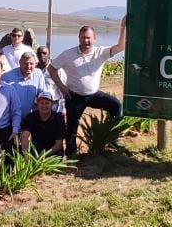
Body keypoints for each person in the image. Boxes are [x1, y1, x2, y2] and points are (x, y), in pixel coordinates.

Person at [47, 17, 127, 156]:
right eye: (83, 38)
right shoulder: (68, 54)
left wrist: (122, 27)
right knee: (72, 126)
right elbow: (51, 68)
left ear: (95, 39)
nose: (86, 41)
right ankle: (71, 153)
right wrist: (61, 86)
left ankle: (112, 137)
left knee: (115, 105)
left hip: (93, 95)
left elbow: (121, 47)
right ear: (79, 38)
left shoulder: (100, 53)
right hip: (74, 96)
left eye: (89, 38)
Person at [2, 52, 53, 121]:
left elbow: (42, 95)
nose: (28, 66)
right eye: (26, 63)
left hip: (32, 119)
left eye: (31, 64)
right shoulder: (7, 77)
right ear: (20, 63)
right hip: (12, 118)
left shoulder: (38, 74)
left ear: (35, 64)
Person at [19, 91, 66, 155]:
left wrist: (44, 155)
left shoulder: (59, 119)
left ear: (52, 104)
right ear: (37, 104)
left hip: (53, 150)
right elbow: (25, 136)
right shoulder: (30, 117)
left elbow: (59, 144)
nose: (44, 105)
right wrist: (26, 154)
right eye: (41, 103)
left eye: (47, 103)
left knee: (59, 154)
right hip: (36, 148)